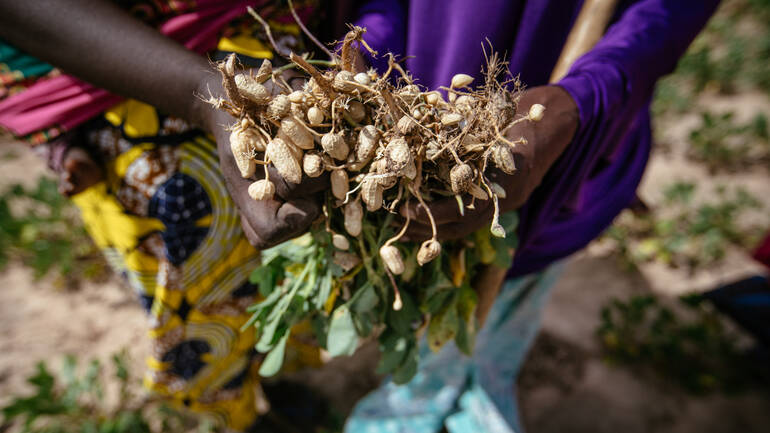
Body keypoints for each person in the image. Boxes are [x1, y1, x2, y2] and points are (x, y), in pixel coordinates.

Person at [0, 1, 720, 432]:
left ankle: (445, 377)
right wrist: (209, 92)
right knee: (211, 274)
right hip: (127, 65)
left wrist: (584, 99)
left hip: (539, 61)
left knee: (486, 244)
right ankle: (229, 409)